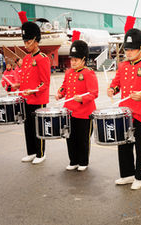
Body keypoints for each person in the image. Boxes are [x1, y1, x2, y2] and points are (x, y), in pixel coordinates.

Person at [107, 26, 141, 190]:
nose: (128, 52)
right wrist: (112, 89)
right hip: (125, 114)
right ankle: (127, 174)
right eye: (127, 49)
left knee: (140, 148)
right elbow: (117, 84)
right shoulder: (123, 66)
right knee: (123, 145)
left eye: (132, 49)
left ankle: (140, 175)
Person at [55, 40, 98, 171]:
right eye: (72, 60)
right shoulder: (68, 72)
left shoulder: (88, 73)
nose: (73, 62)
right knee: (70, 137)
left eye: (76, 60)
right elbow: (64, 87)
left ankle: (83, 162)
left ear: (84, 60)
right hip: (69, 111)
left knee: (83, 139)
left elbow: (94, 93)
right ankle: (73, 160)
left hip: (84, 112)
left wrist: (82, 98)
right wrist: (60, 93)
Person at [13, 22, 51, 164]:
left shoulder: (43, 58)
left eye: (28, 41)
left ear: (35, 40)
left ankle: (40, 153)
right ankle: (31, 152)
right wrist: (19, 85)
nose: (25, 45)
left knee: (38, 127)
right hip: (26, 98)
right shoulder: (27, 59)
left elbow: (44, 82)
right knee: (28, 127)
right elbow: (26, 78)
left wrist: (33, 90)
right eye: (24, 41)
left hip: (37, 98)